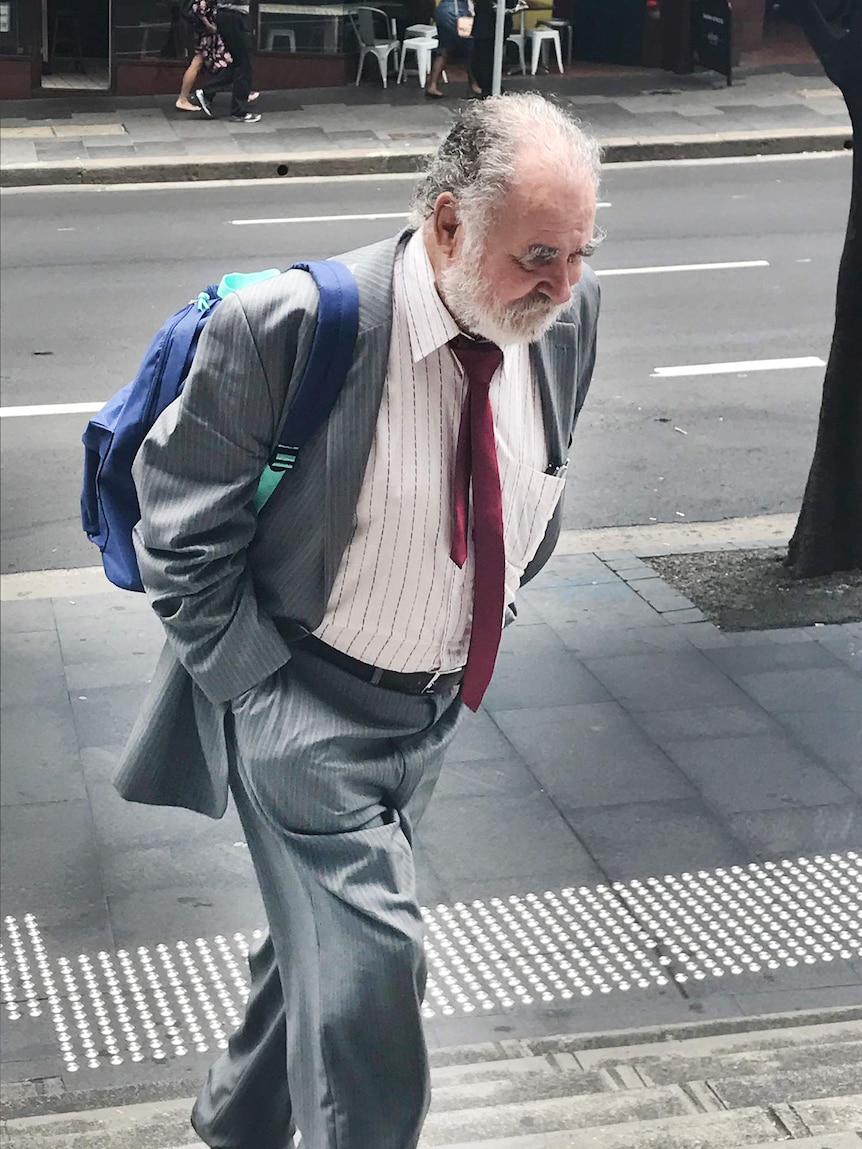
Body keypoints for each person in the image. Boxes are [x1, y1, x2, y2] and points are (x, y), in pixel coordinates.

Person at [114, 91, 602, 1149]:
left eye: (578, 252)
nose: (562, 287)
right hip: (305, 717)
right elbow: (180, 533)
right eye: (535, 257)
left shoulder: (565, 318)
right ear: (444, 225)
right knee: (376, 976)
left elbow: (537, 473)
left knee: (321, 954)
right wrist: (259, 698)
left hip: (429, 714)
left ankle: (237, 1124)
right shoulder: (292, 327)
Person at [194, 0, 260, 123]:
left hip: (229, 16)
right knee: (244, 66)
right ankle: (238, 112)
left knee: (238, 63)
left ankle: (207, 91)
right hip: (233, 16)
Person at [176, 0, 232, 111]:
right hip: (207, 33)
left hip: (207, 33)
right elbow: (199, 8)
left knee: (222, 60)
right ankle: (182, 98)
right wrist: (209, 26)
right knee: (198, 62)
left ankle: (242, 92)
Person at [425, 0, 482, 97]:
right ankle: (474, 85)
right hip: (457, 13)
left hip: (444, 12)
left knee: (444, 49)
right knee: (470, 49)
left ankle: (432, 85)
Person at [469, 0, 513, 96]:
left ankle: (487, 87)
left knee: (483, 57)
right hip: (490, 23)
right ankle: (489, 88)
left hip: (486, 23)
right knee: (487, 57)